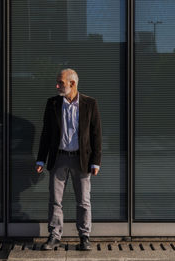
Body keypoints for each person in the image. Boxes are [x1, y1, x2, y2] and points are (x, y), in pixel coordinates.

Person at [35, 68, 102, 251]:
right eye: (57, 82)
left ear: (72, 83)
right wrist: (41, 159)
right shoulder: (53, 104)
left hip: (82, 160)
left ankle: (84, 237)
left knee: (83, 201)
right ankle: (55, 236)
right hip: (59, 159)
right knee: (55, 200)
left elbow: (96, 134)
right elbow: (46, 133)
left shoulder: (90, 103)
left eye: (60, 83)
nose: (57, 86)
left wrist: (96, 161)